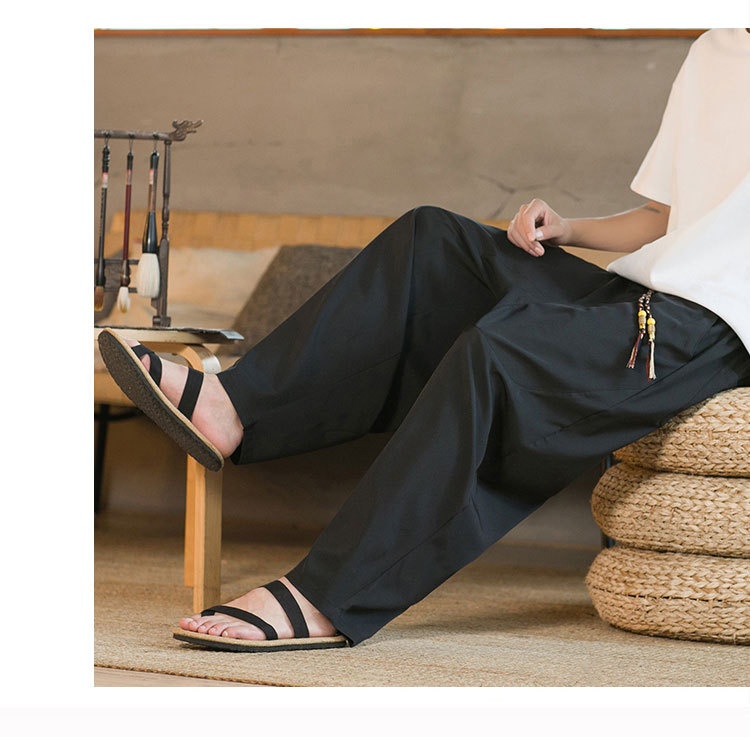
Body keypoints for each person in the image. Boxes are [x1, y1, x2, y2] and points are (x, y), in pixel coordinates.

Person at [98, 28, 750, 653]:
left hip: (709, 325)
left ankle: (327, 594)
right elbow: (667, 216)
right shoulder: (715, 49)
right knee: (432, 242)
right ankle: (235, 406)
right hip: (641, 294)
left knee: (498, 353)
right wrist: (568, 228)